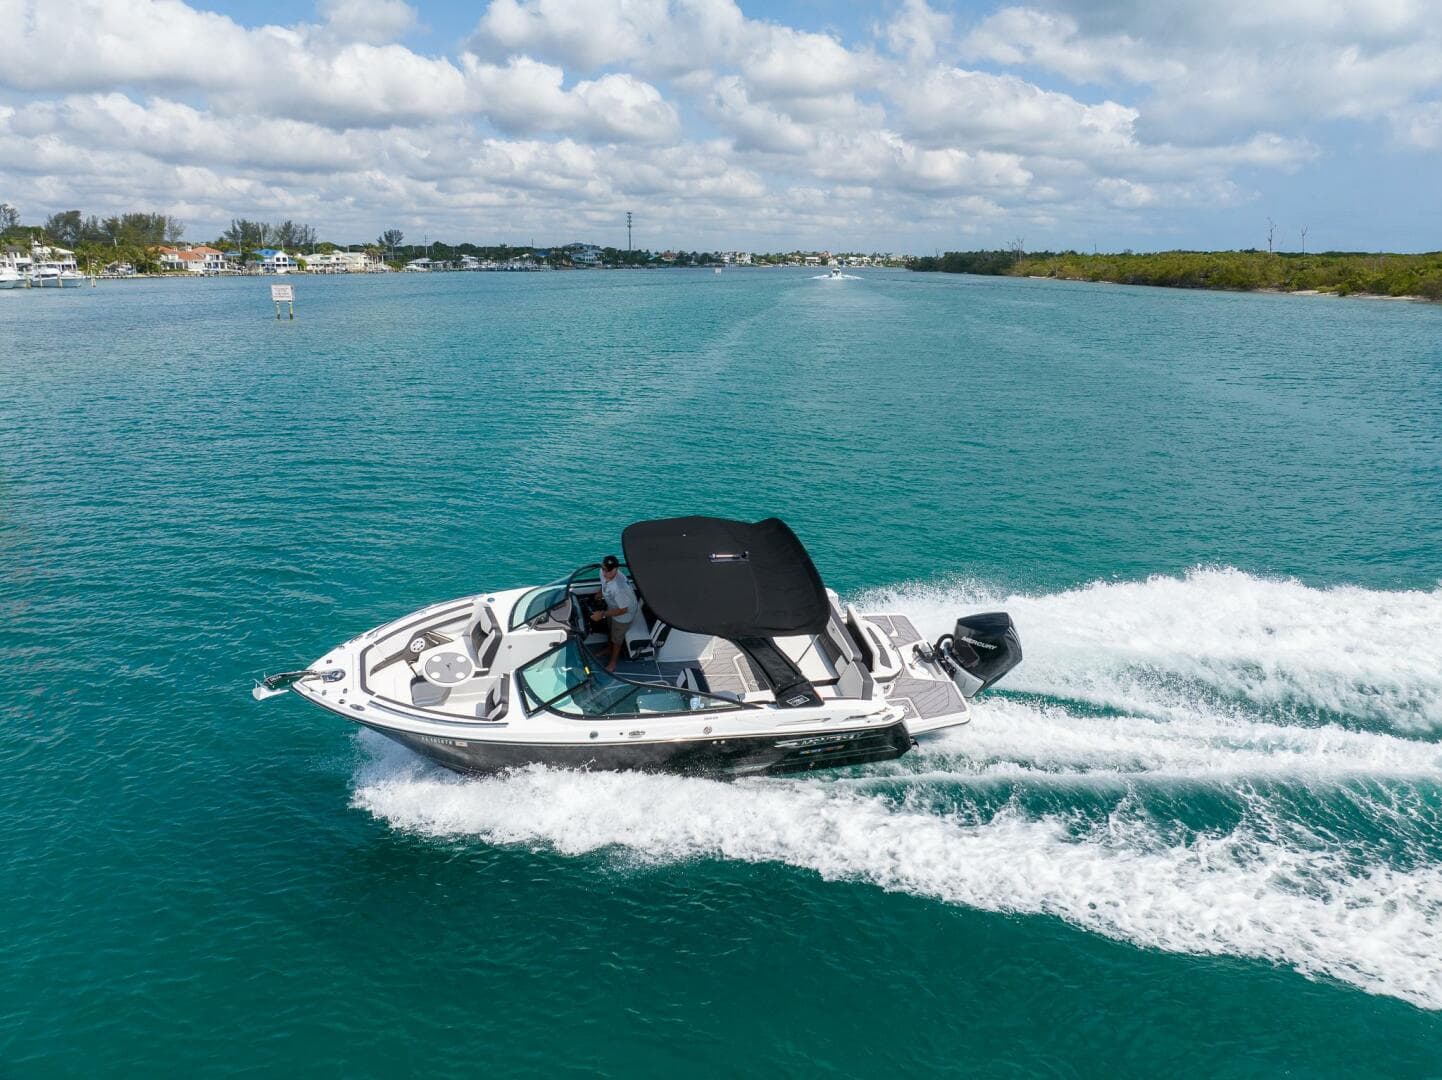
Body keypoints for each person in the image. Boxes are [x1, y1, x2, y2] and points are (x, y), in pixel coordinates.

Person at [591, 554, 639, 671]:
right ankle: (608, 648)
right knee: (610, 629)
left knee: (617, 639)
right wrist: (600, 593)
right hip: (612, 607)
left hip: (624, 615)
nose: (604, 573)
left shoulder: (620, 588)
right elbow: (605, 585)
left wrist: (601, 614)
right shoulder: (603, 573)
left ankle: (613, 662)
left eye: (608, 570)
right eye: (603, 569)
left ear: (616, 569)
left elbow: (624, 610)